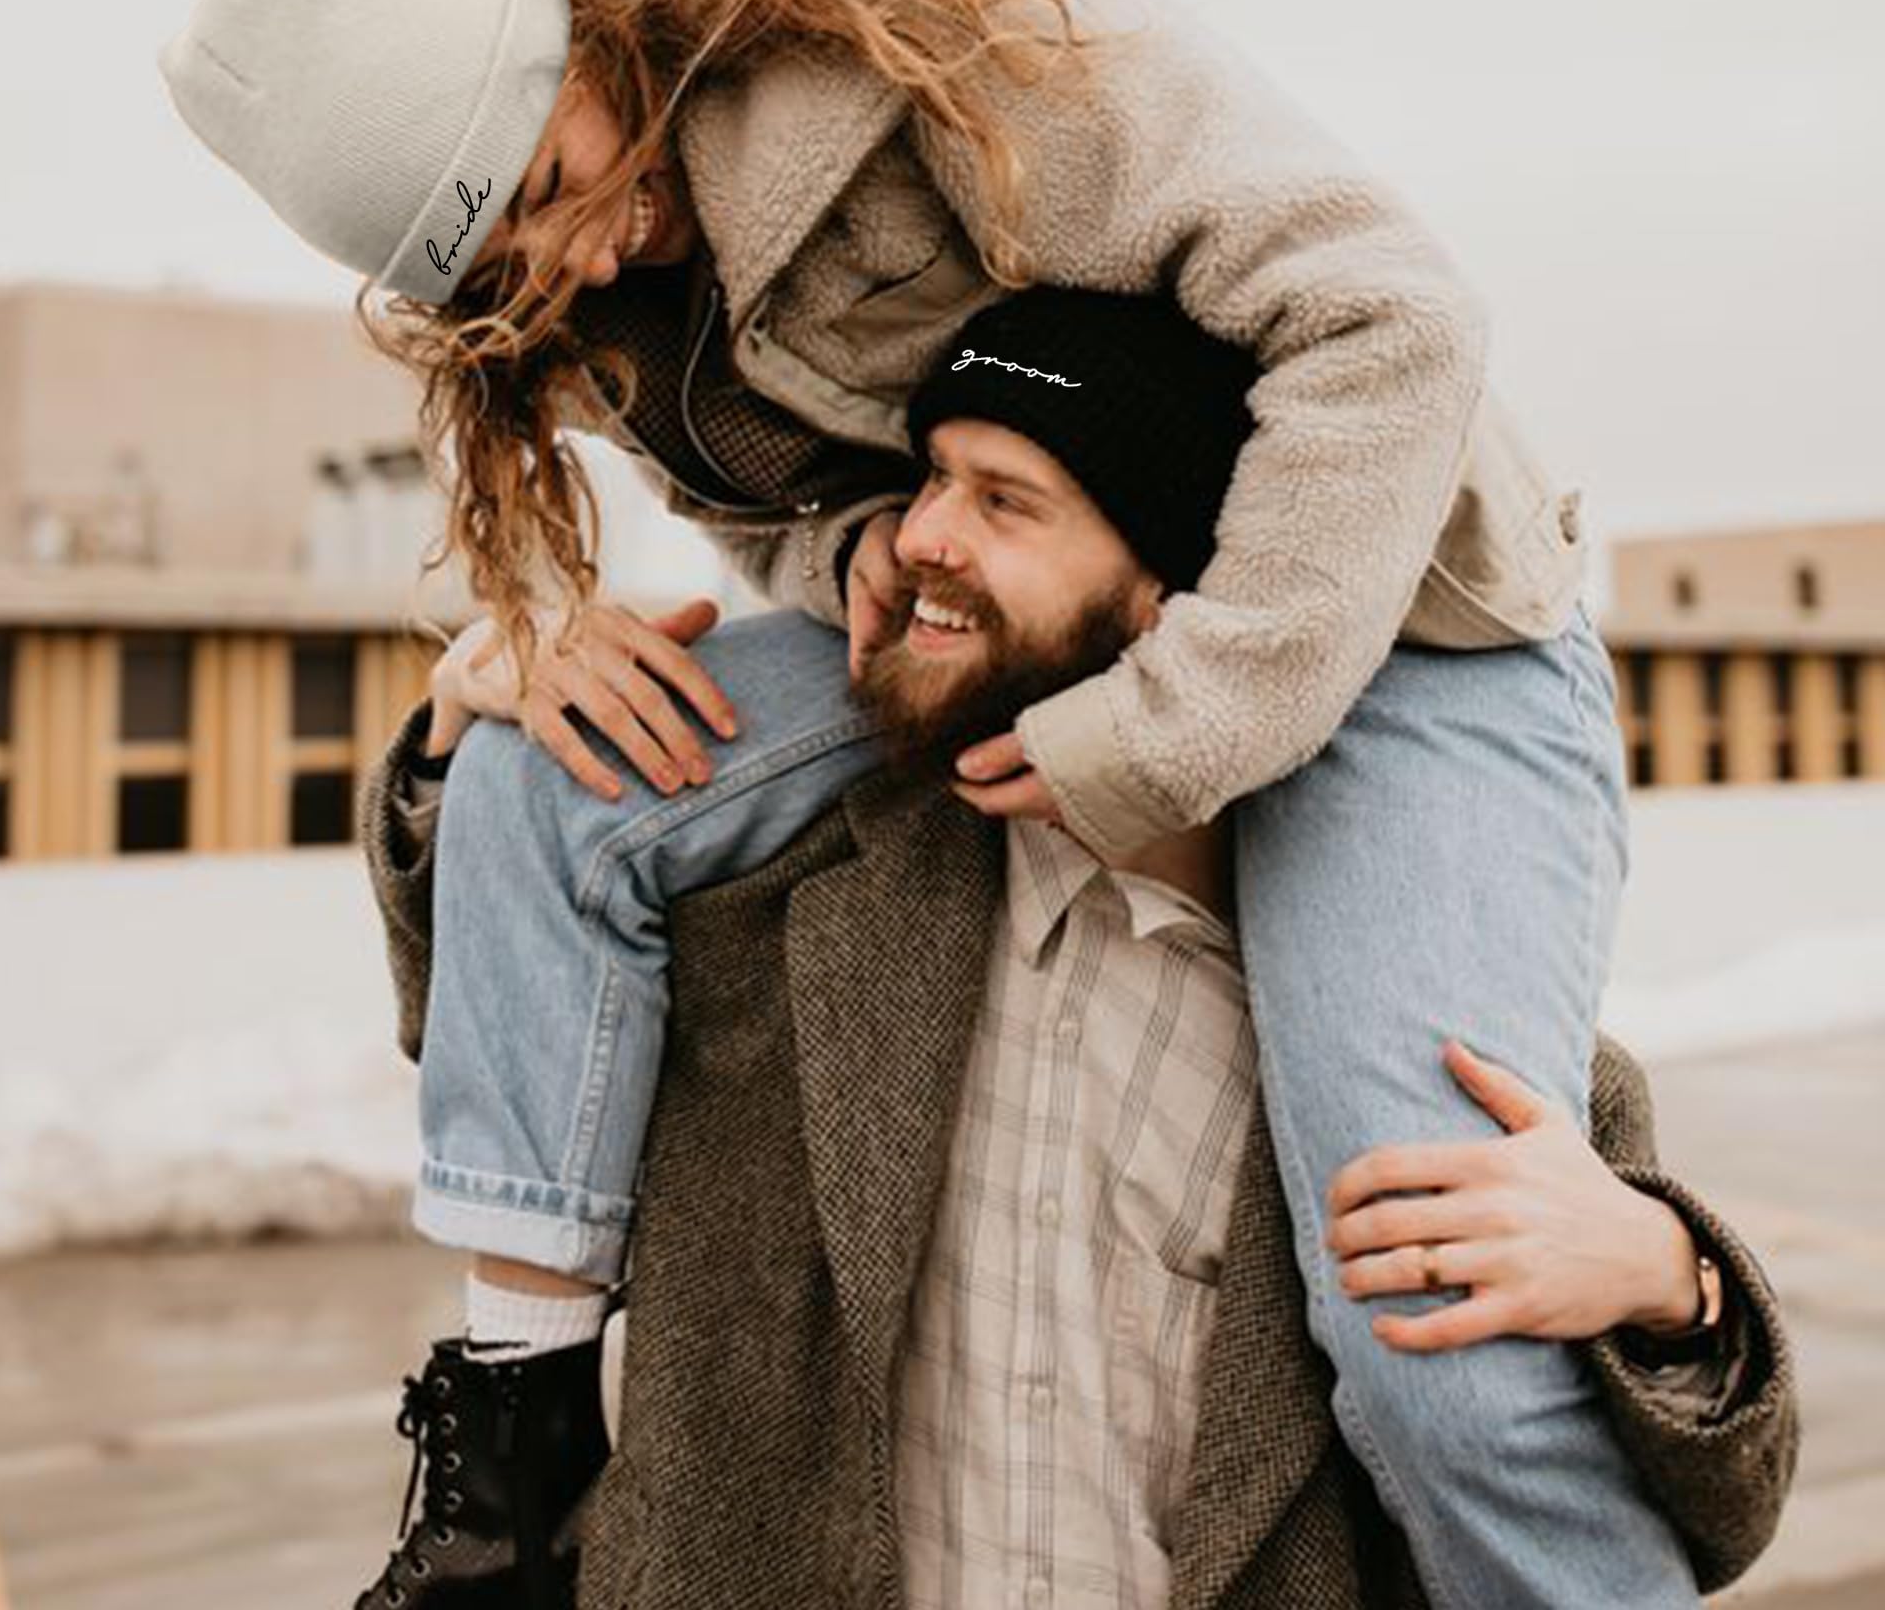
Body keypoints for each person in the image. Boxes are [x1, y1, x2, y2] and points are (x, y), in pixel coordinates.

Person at [162, 0, 1691, 1605]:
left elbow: (1390, 317)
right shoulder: (613, 294)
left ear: (576, 45)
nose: (575, 261)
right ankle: (512, 1465)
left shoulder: (935, 37)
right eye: (510, 268)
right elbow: (784, 526)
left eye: (544, 189)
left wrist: (1177, 729)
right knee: (547, 770)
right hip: (1044, 620)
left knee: (1437, 1329)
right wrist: (734, 600)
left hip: (1409, 620)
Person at [357, 289, 1795, 1609]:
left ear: (1174, 602)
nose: (917, 537)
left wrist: (1679, 1284)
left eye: (1006, 501)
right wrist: (472, 744)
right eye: (931, 478)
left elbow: (1701, 1521)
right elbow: (493, 1013)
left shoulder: (1422, 1034)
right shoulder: (788, 925)